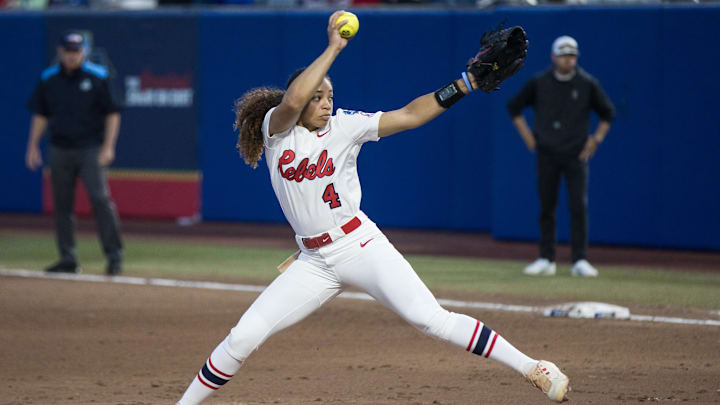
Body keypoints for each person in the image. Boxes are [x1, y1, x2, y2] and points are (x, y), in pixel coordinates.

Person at [177, 11, 569, 404]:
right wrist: (334, 47)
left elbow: (411, 115)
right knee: (243, 336)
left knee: (430, 319)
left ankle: (534, 367)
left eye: (330, 95)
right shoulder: (277, 130)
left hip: (359, 245)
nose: (326, 103)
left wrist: (464, 84)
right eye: (317, 97)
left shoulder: (347, 126)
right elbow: (294, 97)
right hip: (312, 261)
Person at [507, 35, 615, 278]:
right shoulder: (540, 82)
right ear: (553, 56)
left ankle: (580, 260)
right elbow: (514, 107)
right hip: (547, 153)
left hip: (576, 154)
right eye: (564, 55)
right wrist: (529, 138)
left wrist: (595, 140)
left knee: (578, 206)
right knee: (547, 206)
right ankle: (547, 258)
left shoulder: (587, 83)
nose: (568, 60)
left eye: (572, 55)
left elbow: (608, 113)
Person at [25, 30, 123, 275]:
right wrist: (32, 146)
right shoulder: (49, 78)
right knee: (62, 205)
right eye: (68, 51)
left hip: (90, 148)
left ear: (84, 52)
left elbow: (112, 113)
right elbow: (41, 114)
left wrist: (109, 146)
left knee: (100, 200)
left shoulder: (98, 76)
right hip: (59, 147)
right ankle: (67, 258)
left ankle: (114, 256)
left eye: (76, 51)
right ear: (61, 52)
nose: (72, 56)